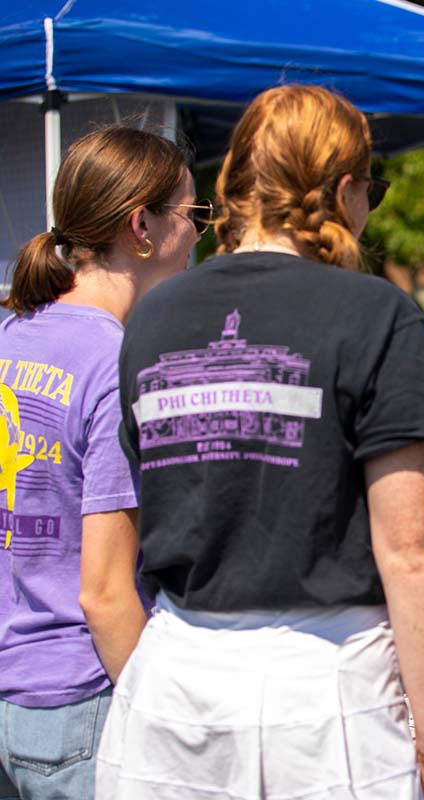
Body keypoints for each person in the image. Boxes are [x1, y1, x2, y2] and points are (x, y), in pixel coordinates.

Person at [96, 85, 424, 800]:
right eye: (374, 188)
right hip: (326, 688)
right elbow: (413, 551)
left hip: (175, 681)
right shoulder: (377, 313)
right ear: (344, 190)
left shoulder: (151, 317)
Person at [0, 126, 198, 799]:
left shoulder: (10, 335)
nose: (200, 235)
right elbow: (106, 592)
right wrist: (168, 727)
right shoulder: (116, 363)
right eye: (193, 214)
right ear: (142, 227)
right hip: (82, 704)